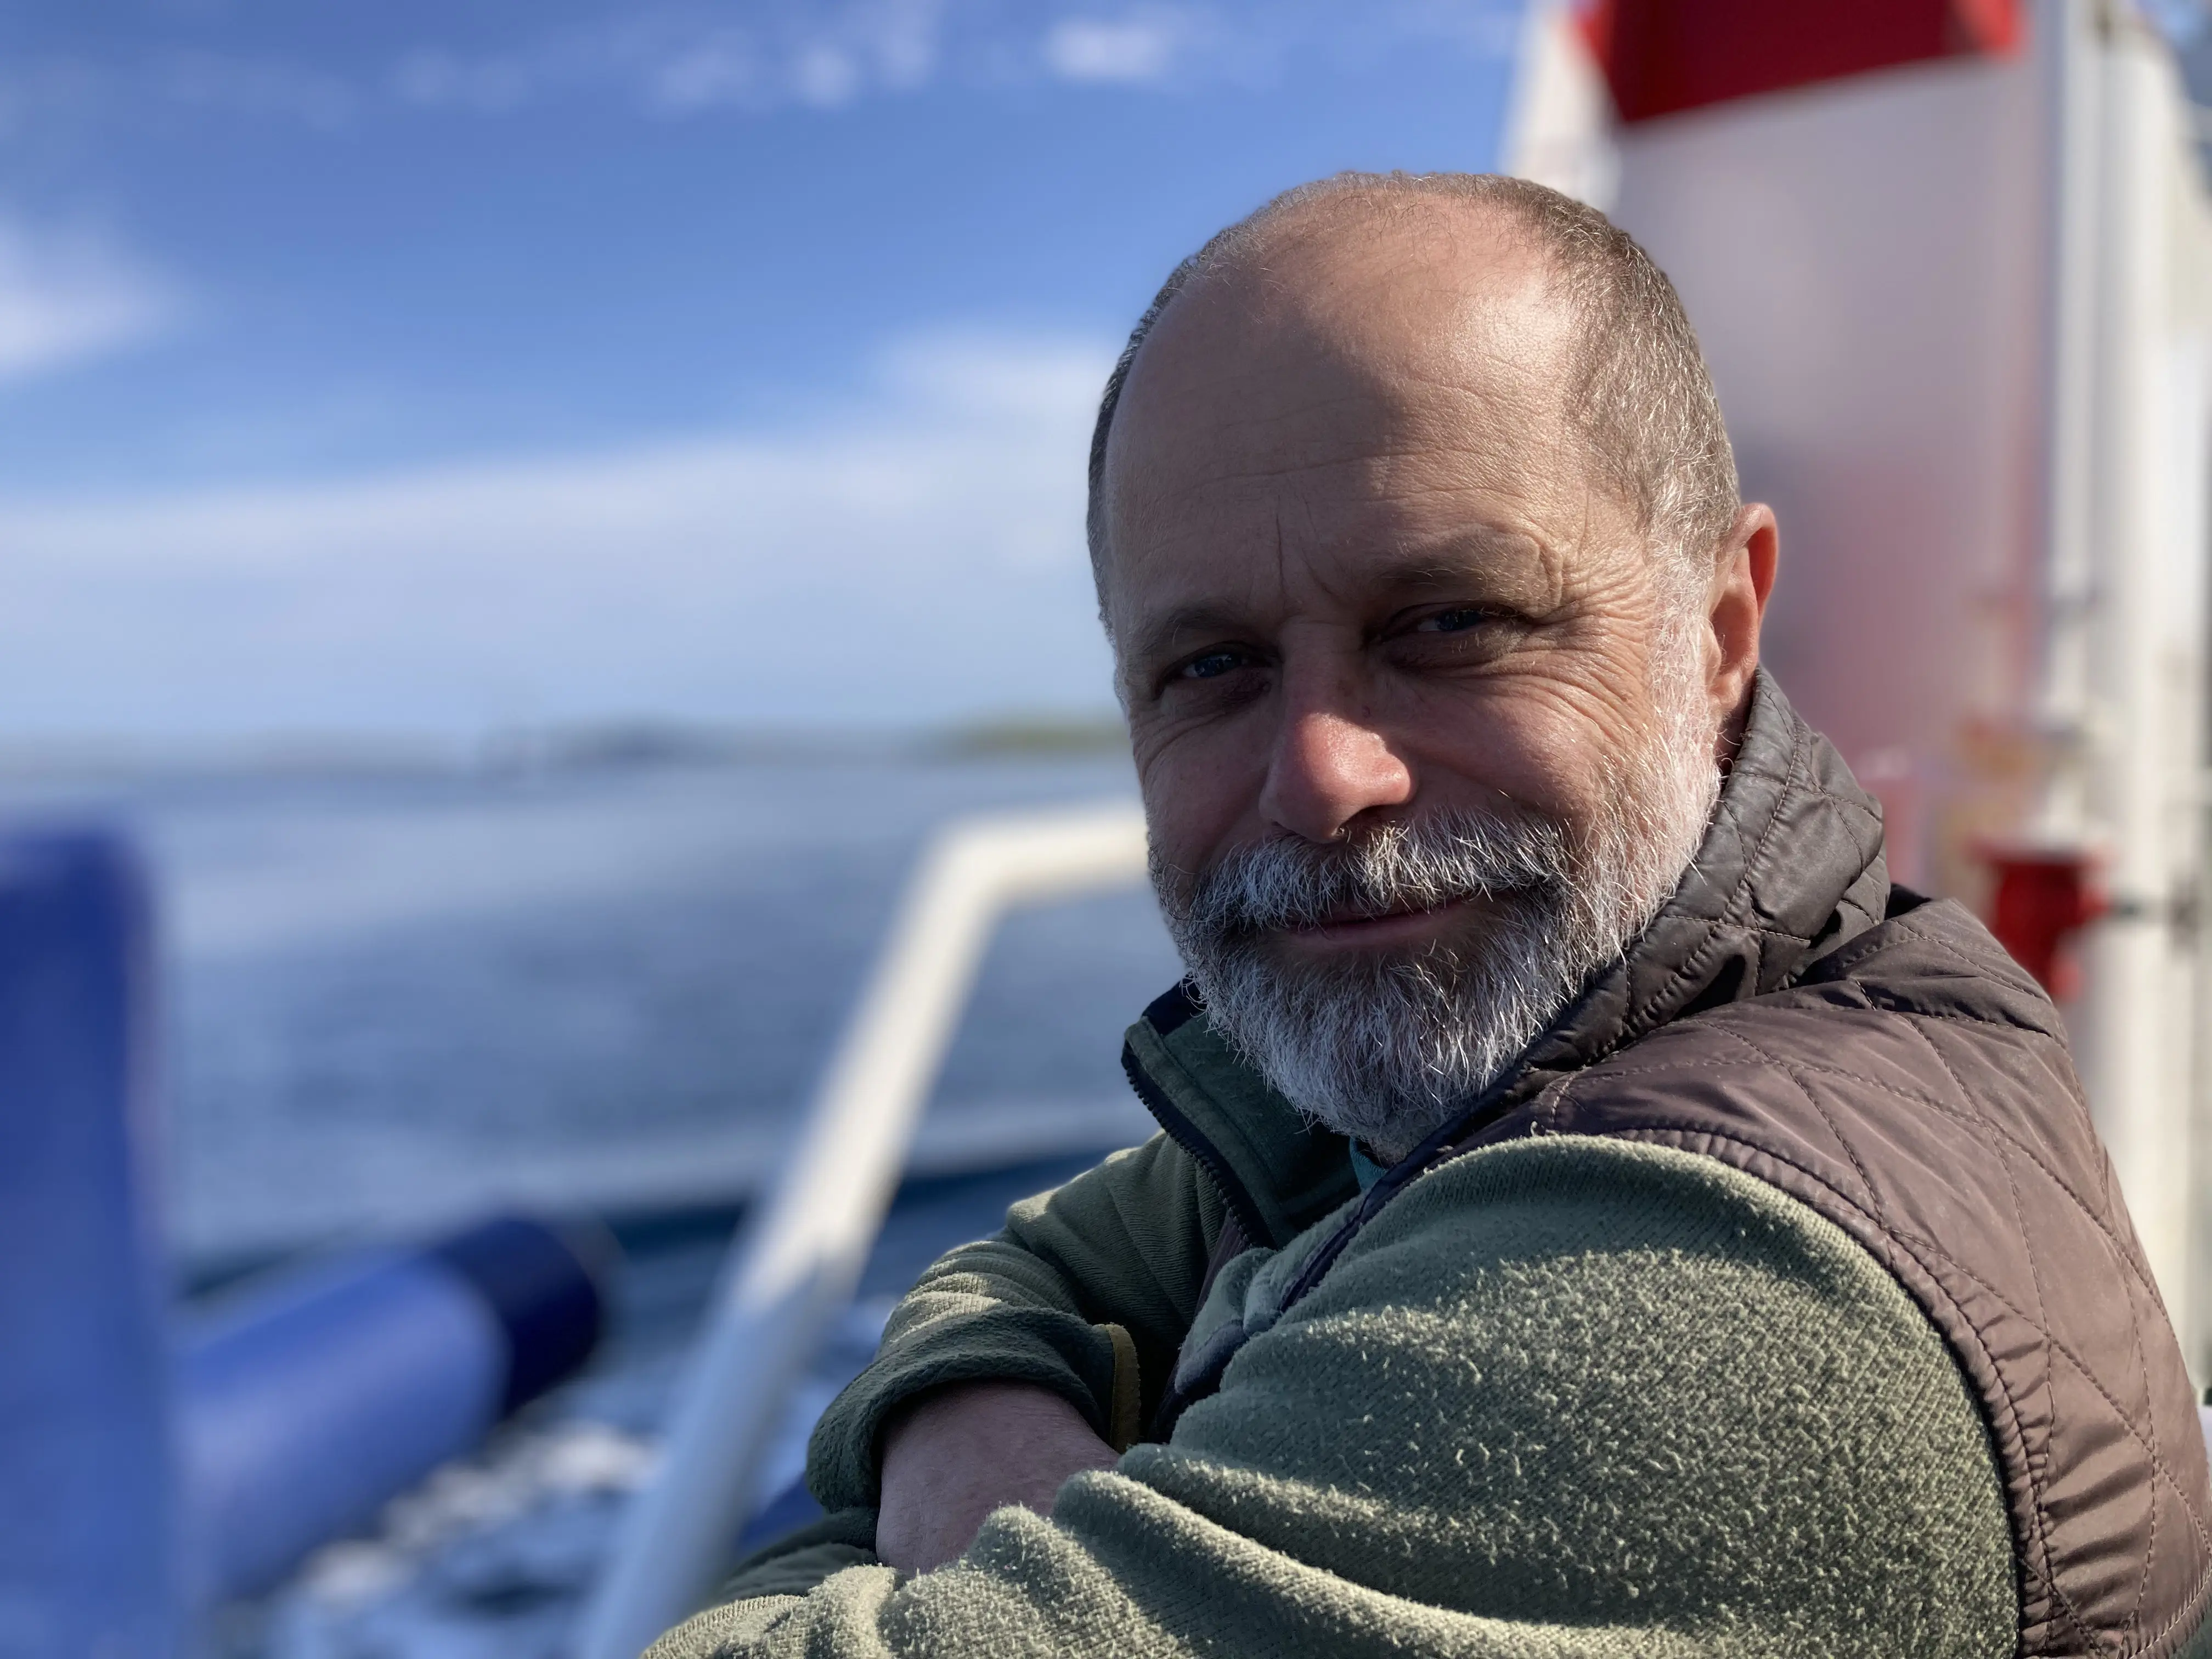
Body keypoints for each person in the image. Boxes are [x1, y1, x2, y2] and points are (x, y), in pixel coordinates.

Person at [648, 172, 2211, 1658]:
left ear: (1720, 630)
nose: (1321, 777)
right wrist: (962, 1412)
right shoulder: (1563, 1029)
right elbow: (1049, 1255)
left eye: (1452, 623)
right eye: (1211, 668)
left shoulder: (1709, 1313)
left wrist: (937, 1471)